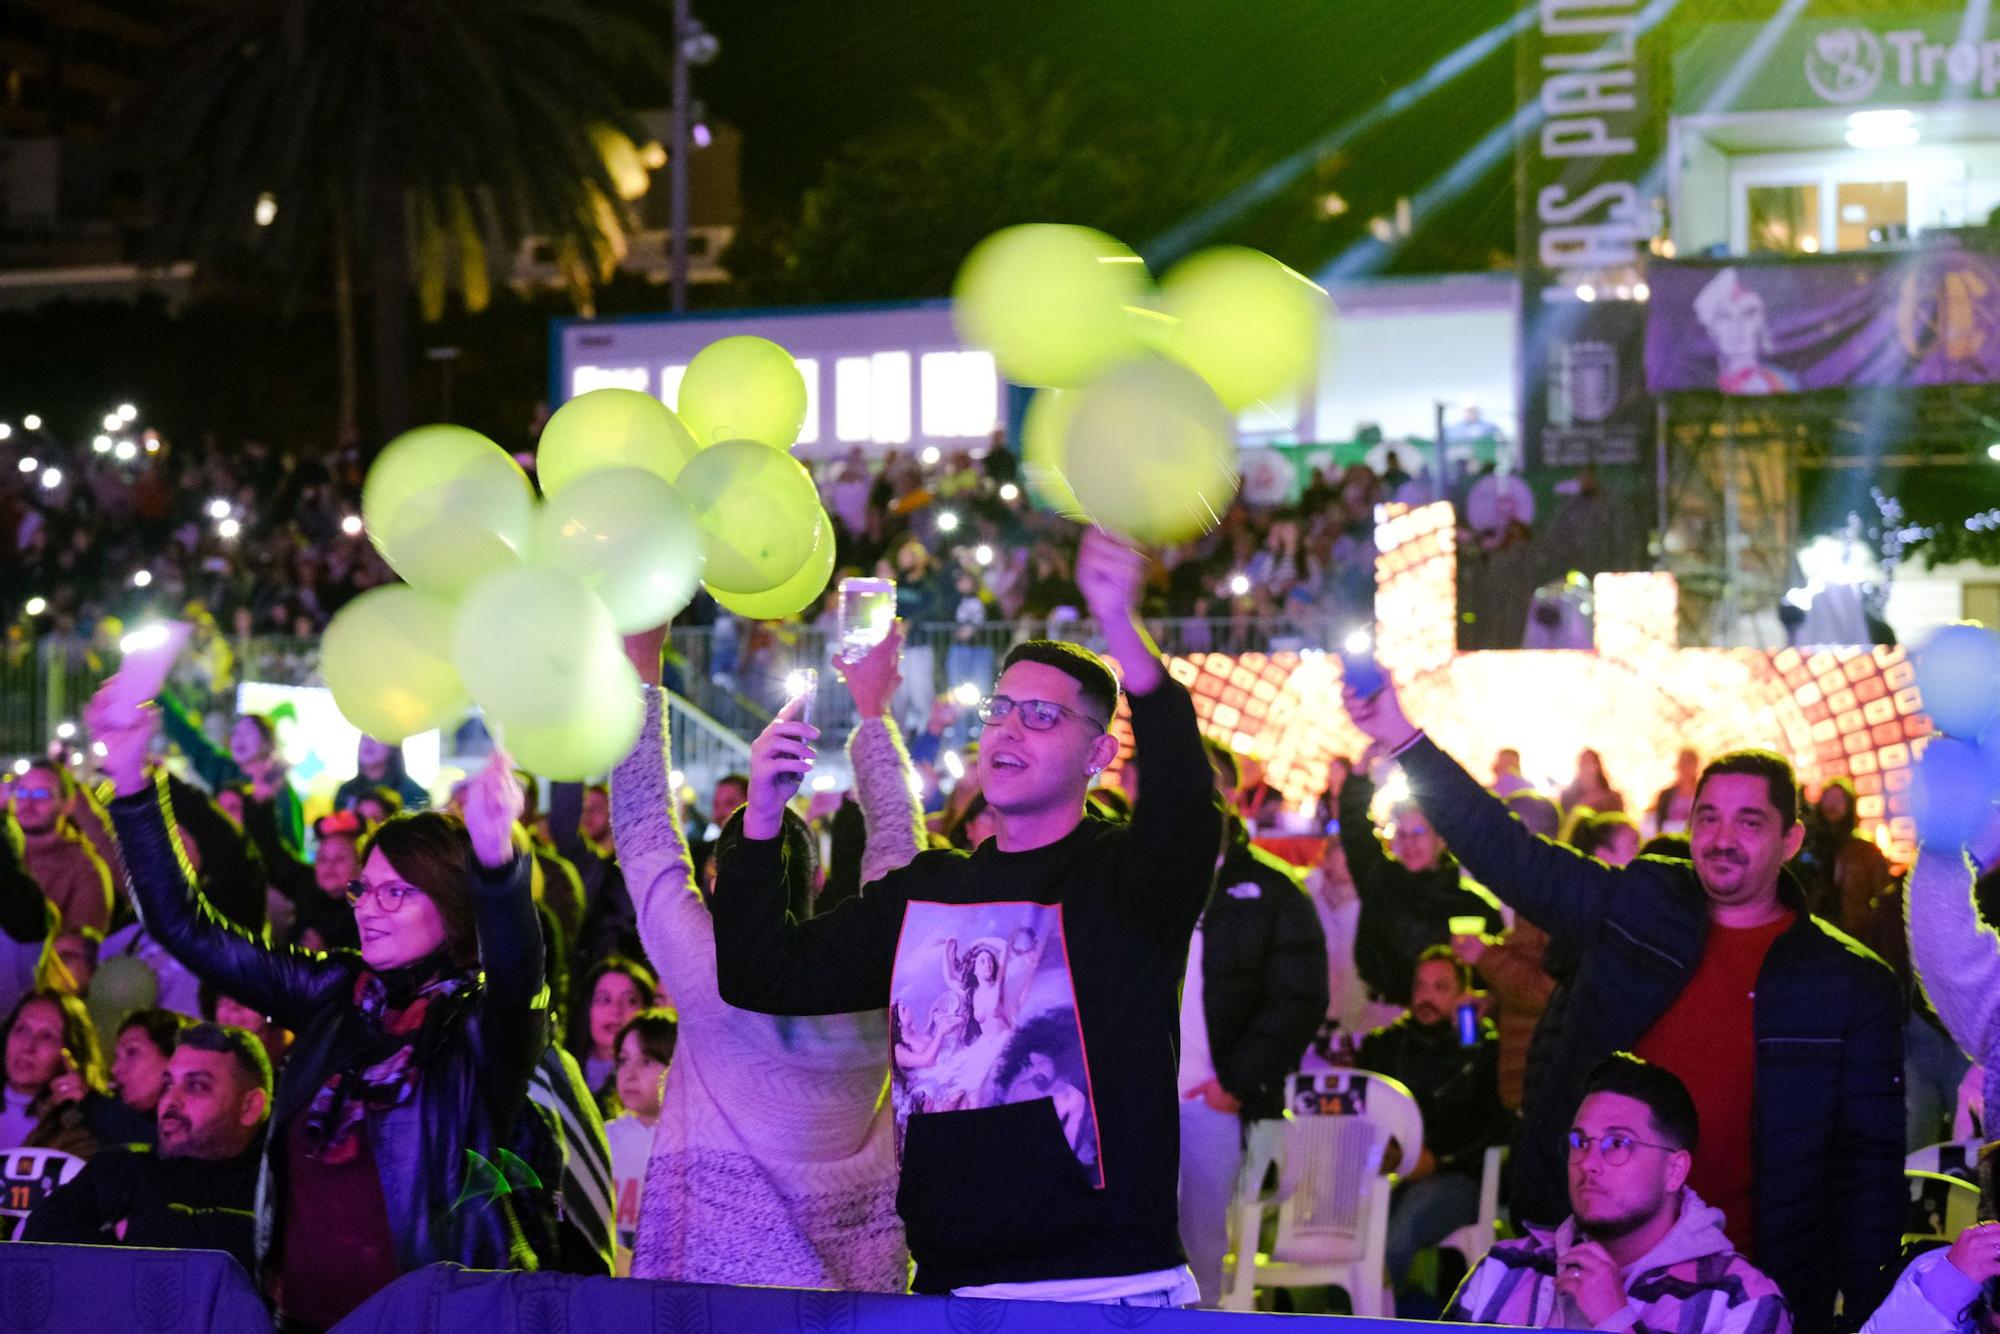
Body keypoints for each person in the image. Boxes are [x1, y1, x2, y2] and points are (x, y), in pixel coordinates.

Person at [711, 528, 1223, 1302]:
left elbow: (1185, 799)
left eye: (1043, 717)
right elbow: (762, 971)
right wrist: (759, 820)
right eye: (1001, 708)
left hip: (1108, 1284)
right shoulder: (924, 890)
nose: (1009, 728)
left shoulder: (1125, 881)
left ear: (1098, 756)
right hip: (950, 1287)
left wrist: (1123, 628)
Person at [1342, 678, 1902, 1332]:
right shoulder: (1643, 905)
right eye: (1708, 817)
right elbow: (1512, 856)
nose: (1722, 838)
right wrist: (1407, 742)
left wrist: (1869, 1313)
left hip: (1752, 1288)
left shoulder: (1845, 981)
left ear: (1792, 840)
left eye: (1750, 822)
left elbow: (1869, 1170)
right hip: (1594, 1261)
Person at [92, 677, 548, 1332]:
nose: (367, 908)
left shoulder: (480, 1026)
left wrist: (498, 865)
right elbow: (187, 928)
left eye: (397, 894)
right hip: (303, 1318)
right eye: (367, 889)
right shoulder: (337, 994)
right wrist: (132, 778)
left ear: (451, 908)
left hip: (436, 1323)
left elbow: (517, 970)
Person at [612, 619, 915, 1290]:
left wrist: (643, 664)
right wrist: (872, 715)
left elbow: (644, 839)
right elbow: (898, 853)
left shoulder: (705, 972)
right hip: (857, 1300)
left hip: (713, 1291)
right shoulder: (883, 975)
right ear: (809, 878)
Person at [1446, 1054, 1791, 1332]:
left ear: (1674, 1170)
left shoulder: (1738, 1300)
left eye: (1617, 1144)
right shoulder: (1504, 1270)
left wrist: (1616, 1321)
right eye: (1580, 1142)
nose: (1589, 1162)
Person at [1178, 742, 1328, 1306]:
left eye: (1207, 781)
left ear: (1234, 793)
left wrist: (1235, 1085)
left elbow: (1298, 997)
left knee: (1202, 1256)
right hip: (1135, 1101)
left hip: (1211, 1104)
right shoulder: (1141, 877)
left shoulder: (1271, 890)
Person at [23, 1022, 271, 1274]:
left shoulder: (279, 1185)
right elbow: (38, 1238)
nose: (170, 1101)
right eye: (167, 1085)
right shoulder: (121, 1168)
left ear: (250, 1107)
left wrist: (135, 1229)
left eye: (196, 1086)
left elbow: (269, 1249)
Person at [1358, 946, 1511, 1298]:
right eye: (1420, 987)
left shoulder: (1482, 1050)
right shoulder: (1386, 1046)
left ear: (1462, 994)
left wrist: (1438, 1161)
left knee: (1395, 1237)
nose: (1426, 997)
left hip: (1455, 1178)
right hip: (1389, 1175)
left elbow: (1496, 1128)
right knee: (1353, 1235)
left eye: (1440, 988)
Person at [1338, 758, 1503, 1018]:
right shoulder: (1381, 879)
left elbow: (1496, 976)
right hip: (1385, 1015)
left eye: (1418, 833)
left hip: (1450, 1026)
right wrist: (1360, 773)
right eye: (1401, 834)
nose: (1409, 843)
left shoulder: (1473, 906)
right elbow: (1354, 828)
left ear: (1441, 839)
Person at [1455, 790, 1561, 1111]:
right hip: (1527, 1078)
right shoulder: (1529, 893)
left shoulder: (1551, 898)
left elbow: (1550, 993)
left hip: (1546, 1082)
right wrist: (1494, 1001)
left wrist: (1485, 956)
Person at [604, 1009, 674, 1276]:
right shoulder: (605, 1139)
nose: (629, 1074)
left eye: (646, 1061)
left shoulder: (690, 1146)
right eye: (623, 1060)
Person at [8, 763, 114, 933]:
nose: (27, 803)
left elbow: (79, 948)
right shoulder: (6, 854)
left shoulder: (85, 869)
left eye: (41, 795)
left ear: (68, 805)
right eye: (21, 793)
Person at [0, 988, 101, 1156]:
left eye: (47, 1037)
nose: (28, 1047)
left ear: (71, 1052)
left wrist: (90, 1108)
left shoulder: (73, 1124)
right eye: (21, 1030)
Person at [1795, 779, 1890, 933]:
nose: (1833, 804)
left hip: (1852, 934)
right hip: (1811, 932)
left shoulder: (1865, 850)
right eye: (1829, 798)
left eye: (1839, 799)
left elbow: (1882, 897)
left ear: (1849, 805)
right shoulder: (1806, 846)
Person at [86, 1007, 188, 1148]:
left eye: (132, 1052)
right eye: (117, 1057)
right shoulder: (117, 1111)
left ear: (174, 1058)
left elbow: (157, 1151)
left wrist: (90, 1104)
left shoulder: (197, 1122)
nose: (115, 1069)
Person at [568, 956, 656, 1106]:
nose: (616, 1010)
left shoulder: (658, 1083)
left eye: (630, 1001)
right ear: (587, 1009)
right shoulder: (562, 1070)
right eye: (604, 1000)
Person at [333, 736, 429, 814]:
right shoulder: (346, 791)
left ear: (393, 747)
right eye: (365, 738)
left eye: (377, 738)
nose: (369, 743)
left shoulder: (412, 792)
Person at [1650, 747, 1700, 837]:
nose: (1685, 768)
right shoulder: (1665, 795)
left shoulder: (1704, 794)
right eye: (1682, 763)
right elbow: (1657, 821)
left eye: (1688, 763)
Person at [1560, 748, 1625, 815]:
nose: (1586, 768)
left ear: (1598, 766)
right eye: (1583, 764)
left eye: (1589, 763)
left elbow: (1621, 822)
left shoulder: (1613, 798)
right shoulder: (1567, 798)